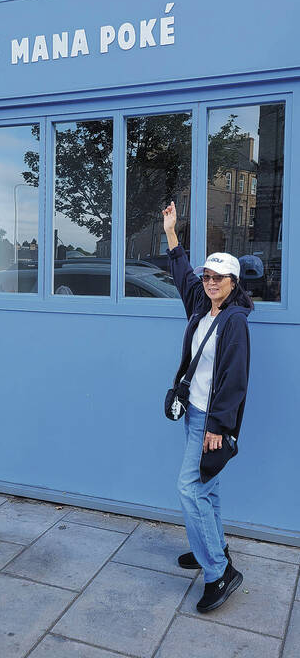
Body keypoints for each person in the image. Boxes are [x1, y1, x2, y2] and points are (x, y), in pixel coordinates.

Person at [162, 201, 253, 613]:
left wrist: (219, 425)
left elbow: (234, 379)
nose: (210, 282)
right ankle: (212, 549)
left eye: (219, 277)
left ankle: (218, 570)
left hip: (210, 421)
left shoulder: (234, 322)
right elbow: (183, 277)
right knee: (209, 489)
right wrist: (171, 234)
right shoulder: (202, 306)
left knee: (190, 488)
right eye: (207, 276)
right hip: (194, 412)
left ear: (234, 282)